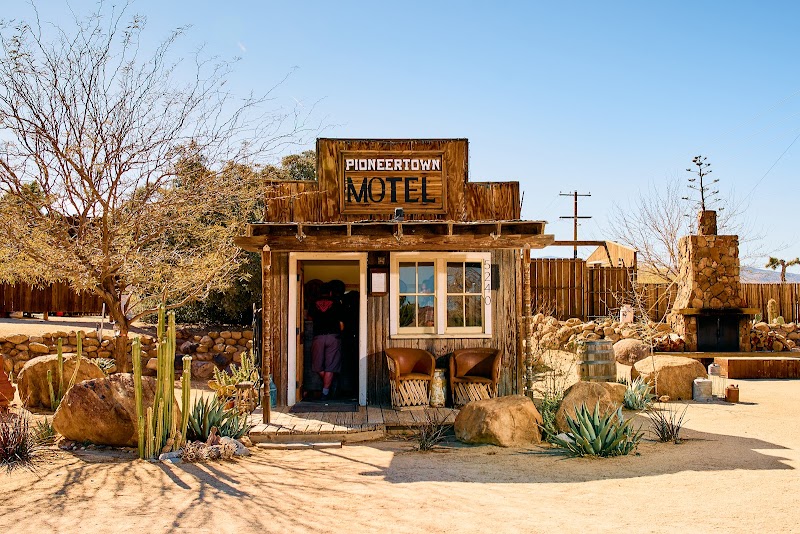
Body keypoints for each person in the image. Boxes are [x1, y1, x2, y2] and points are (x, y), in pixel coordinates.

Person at [308, 282, 344, 401]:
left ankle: (327, 386)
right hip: (333, 337)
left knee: (317, 366)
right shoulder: (337, 303)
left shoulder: (313, 303)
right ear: (330, 293)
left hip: (318, 337)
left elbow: (309, 318)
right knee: (331, 366)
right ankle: (326, 392)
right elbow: (341, 324)